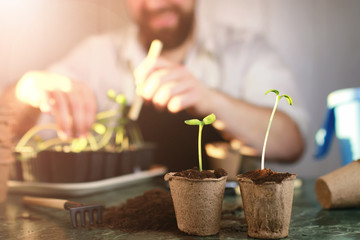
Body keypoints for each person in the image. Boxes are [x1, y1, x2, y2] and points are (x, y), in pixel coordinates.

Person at [2, 0, 307, 171]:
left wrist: (211, 99)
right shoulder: (96, 54)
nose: (158, 2)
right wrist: (26, 89)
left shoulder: (246, 49)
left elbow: (291, 143)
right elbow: (10, 117)